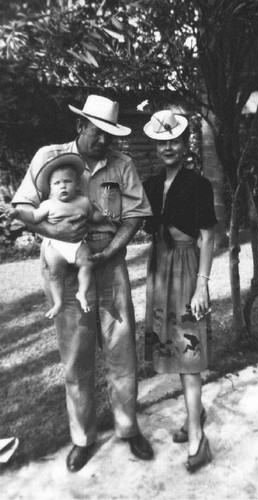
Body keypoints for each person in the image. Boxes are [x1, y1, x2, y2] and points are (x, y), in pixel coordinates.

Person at [11, 94, 154, 472]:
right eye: (97, 132)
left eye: (110, 134)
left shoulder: (122, 165)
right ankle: (82, 439)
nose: (104, 141)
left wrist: (113, 250)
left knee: (122, 351)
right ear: (80, 127)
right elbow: (23, 205)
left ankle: (128, 428)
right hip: (65, 269)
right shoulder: (50, 158)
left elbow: (135, 215)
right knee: (76, 359)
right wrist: (53, 231)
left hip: (108, 268)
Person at [142, 109, 218, 473]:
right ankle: (194, 414)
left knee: (189, 353)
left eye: (174, 139)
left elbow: (207, 236)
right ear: (156, 147)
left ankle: (198, 438)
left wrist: (202, 283)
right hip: (160, 271)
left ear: (186, 142)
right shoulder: (152, 185)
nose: (168, 146)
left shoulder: (198, 184)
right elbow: (142, 225)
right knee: (173, 350)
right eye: (162, 141)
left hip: (188, 271)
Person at [6, 153, 106, 319]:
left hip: (78, 244)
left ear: (76, 184)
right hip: (57, 246)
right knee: (55, 273)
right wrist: (17, 213)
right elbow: (33, 217)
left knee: (87, 264)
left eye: (67, 181)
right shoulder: (48, 205)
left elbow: (93, 216)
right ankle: (58, 302)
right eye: (57, 183)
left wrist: (103, 215)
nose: (63, 186)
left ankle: (82, 293)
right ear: (51, 188)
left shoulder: (83, 202)